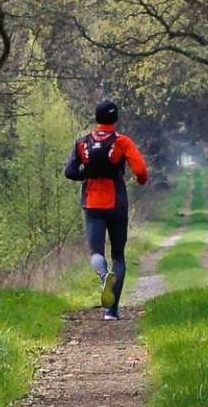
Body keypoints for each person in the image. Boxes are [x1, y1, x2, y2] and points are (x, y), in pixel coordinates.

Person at [65, 101, 153, 315]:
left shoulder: (82, 143)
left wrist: (86, 174)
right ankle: (111, 311)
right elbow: (140, 169)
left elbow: (69, 172)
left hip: (92, 203)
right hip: (117, 204)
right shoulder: (122, 142)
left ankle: (104, 276)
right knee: (118, 256)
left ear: (96, 118)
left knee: (96, 251)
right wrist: (141, 180)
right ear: (115, 119)